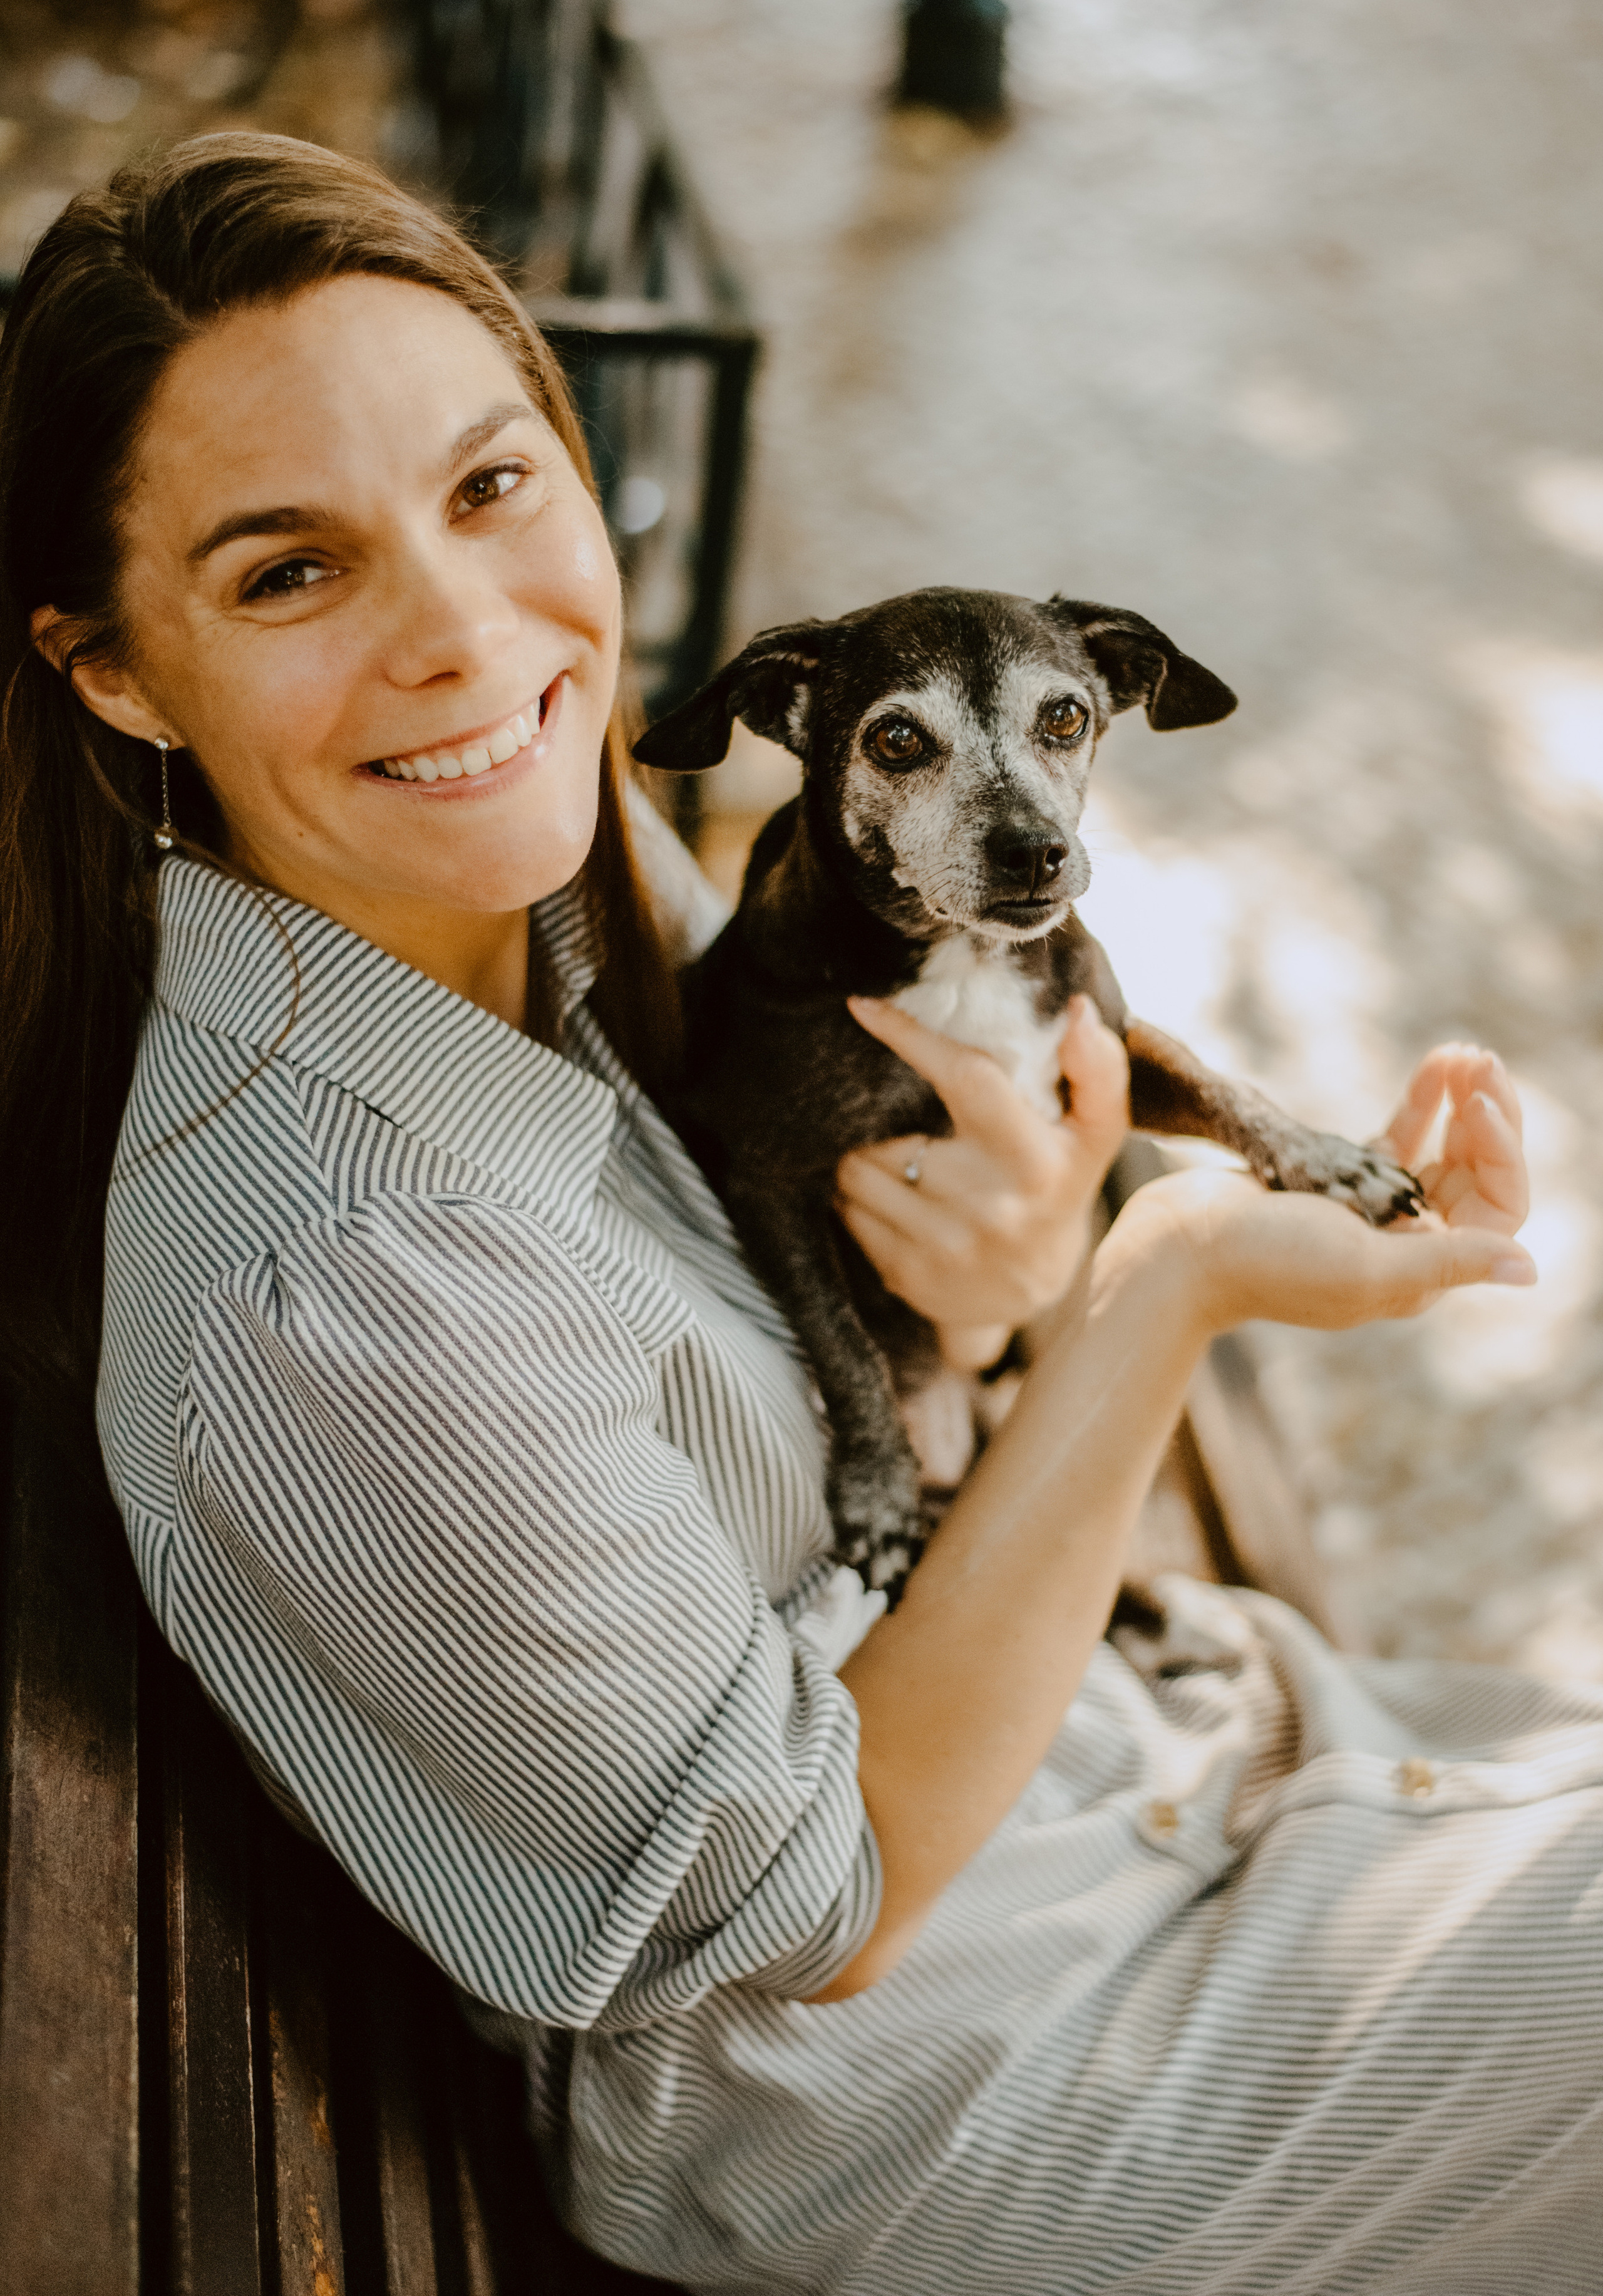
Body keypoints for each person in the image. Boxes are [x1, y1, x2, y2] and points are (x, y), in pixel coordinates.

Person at [1, 133, 1598, 2296]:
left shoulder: (559, 900)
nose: (462, 634)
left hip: (1142, 1786)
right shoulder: (345, 1292)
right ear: (114, 667)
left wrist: (1012, 1277)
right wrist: (1167, 1279)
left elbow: (851, 1270)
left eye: (490, 486)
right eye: (292, 572)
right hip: (981, 2066)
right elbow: (820, 1899)